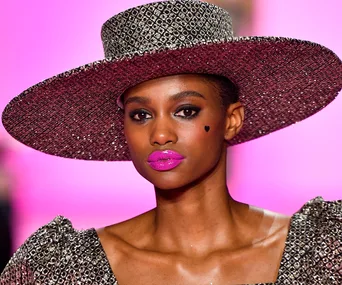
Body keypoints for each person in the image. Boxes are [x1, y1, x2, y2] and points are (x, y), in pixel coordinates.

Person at [1, 0, 341, 284]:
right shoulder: (62, 271)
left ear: (232, 120)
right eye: (140, 115)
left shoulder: (322, 253)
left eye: (186, 110)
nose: (160, 135)